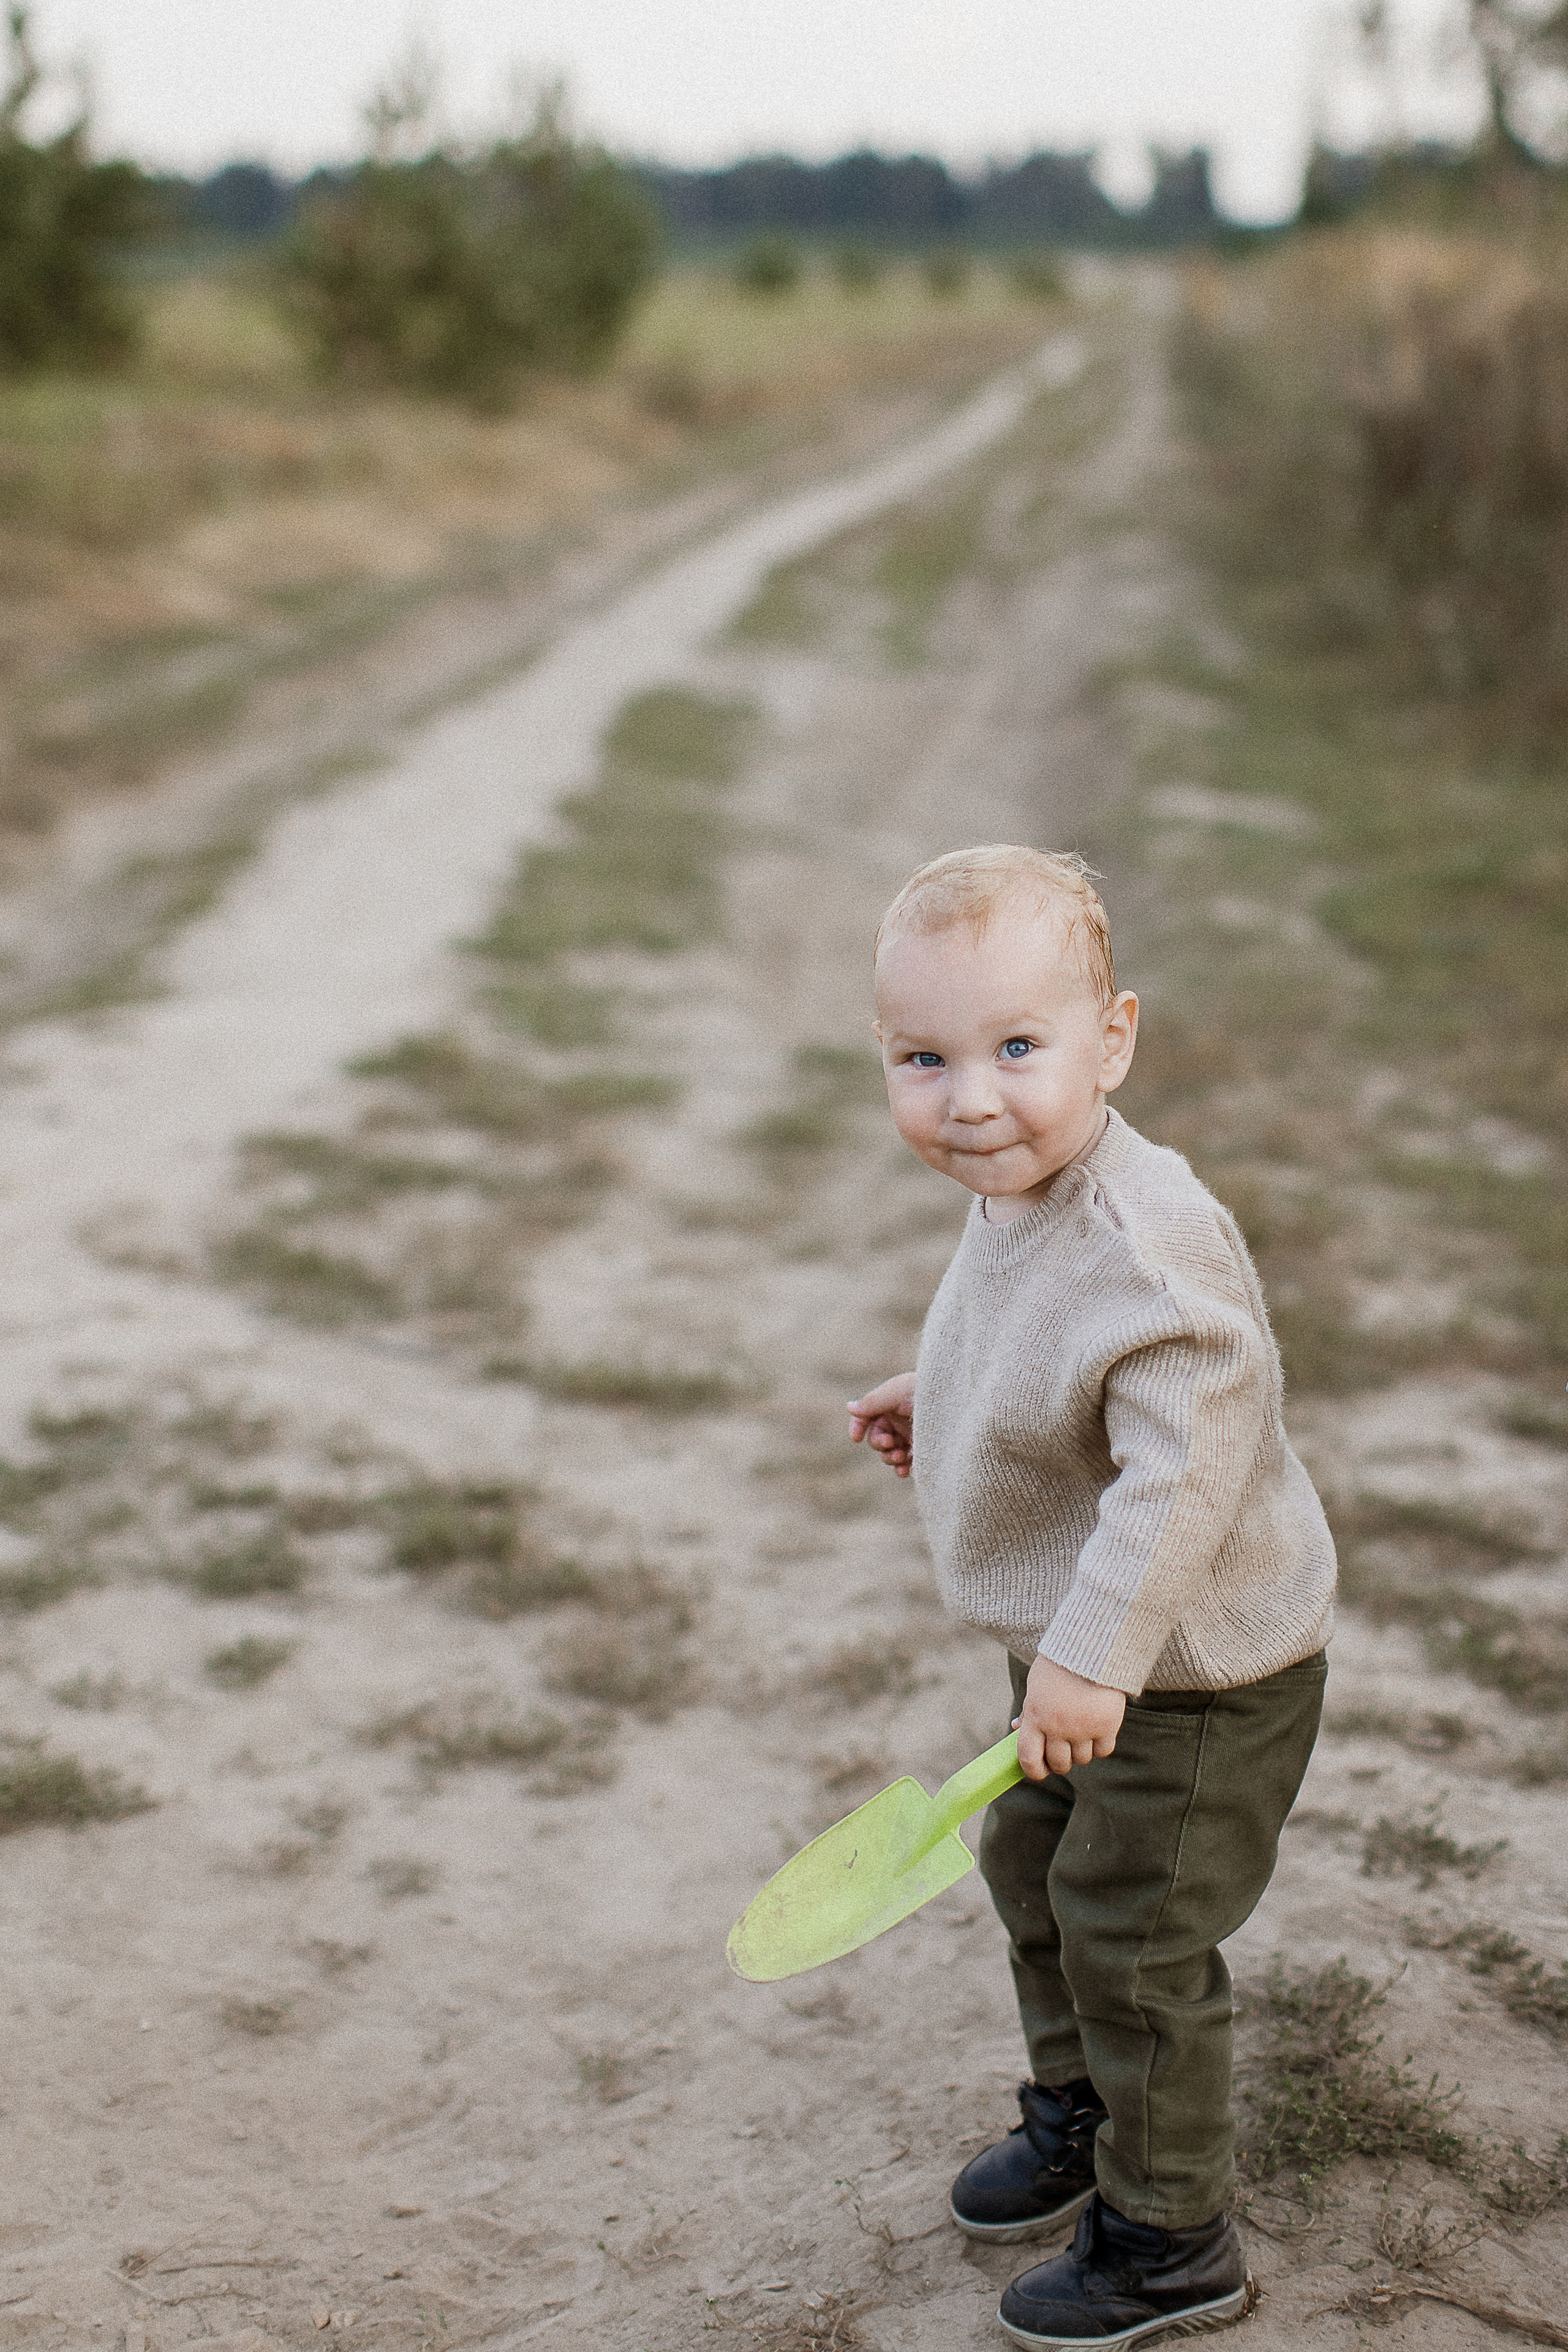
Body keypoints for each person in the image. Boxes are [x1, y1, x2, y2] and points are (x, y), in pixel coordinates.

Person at [847, 845, 1335, 2351]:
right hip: (1081, 1655)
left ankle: (1169, 2230)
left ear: (1110, 1039)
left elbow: (1183, 1469)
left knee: (1129, 1932)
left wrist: (1093, 1660)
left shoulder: (1144, 1236)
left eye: (1013, 1048)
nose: (968, 1097)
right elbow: (1029, 1330)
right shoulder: (1022, 1189)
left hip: (1186, 1671)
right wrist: (945, 1388)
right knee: (1033, 1872)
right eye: (921, 1059)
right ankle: (1076, 2115)